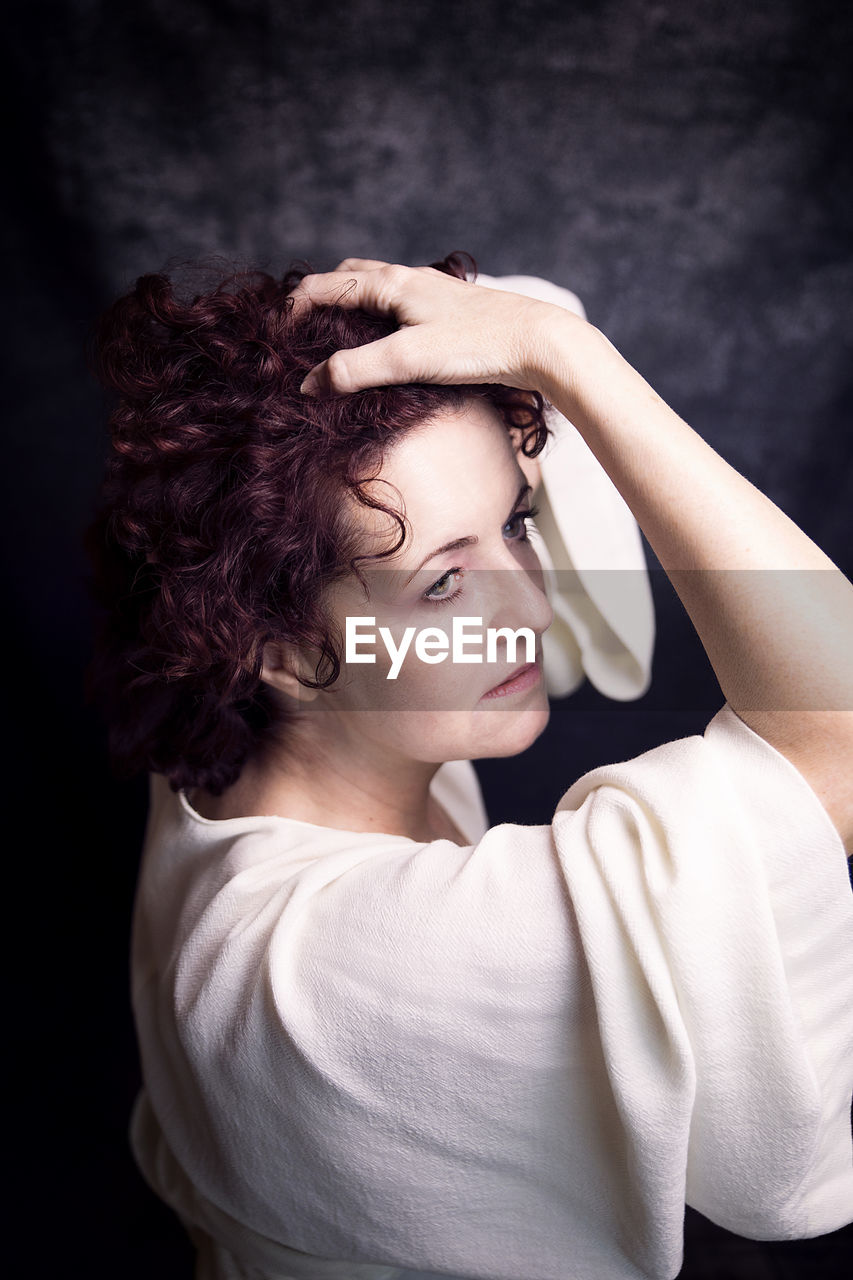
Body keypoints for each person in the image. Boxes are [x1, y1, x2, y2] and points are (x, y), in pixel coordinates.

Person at [86, 254, 853, 1280]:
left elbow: (513, 308)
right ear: (274, 644)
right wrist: (568, 358)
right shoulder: (334, 966)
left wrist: (526, 346)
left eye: (517, 524)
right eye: (446, 581)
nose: (533, 606)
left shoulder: (249, 746)